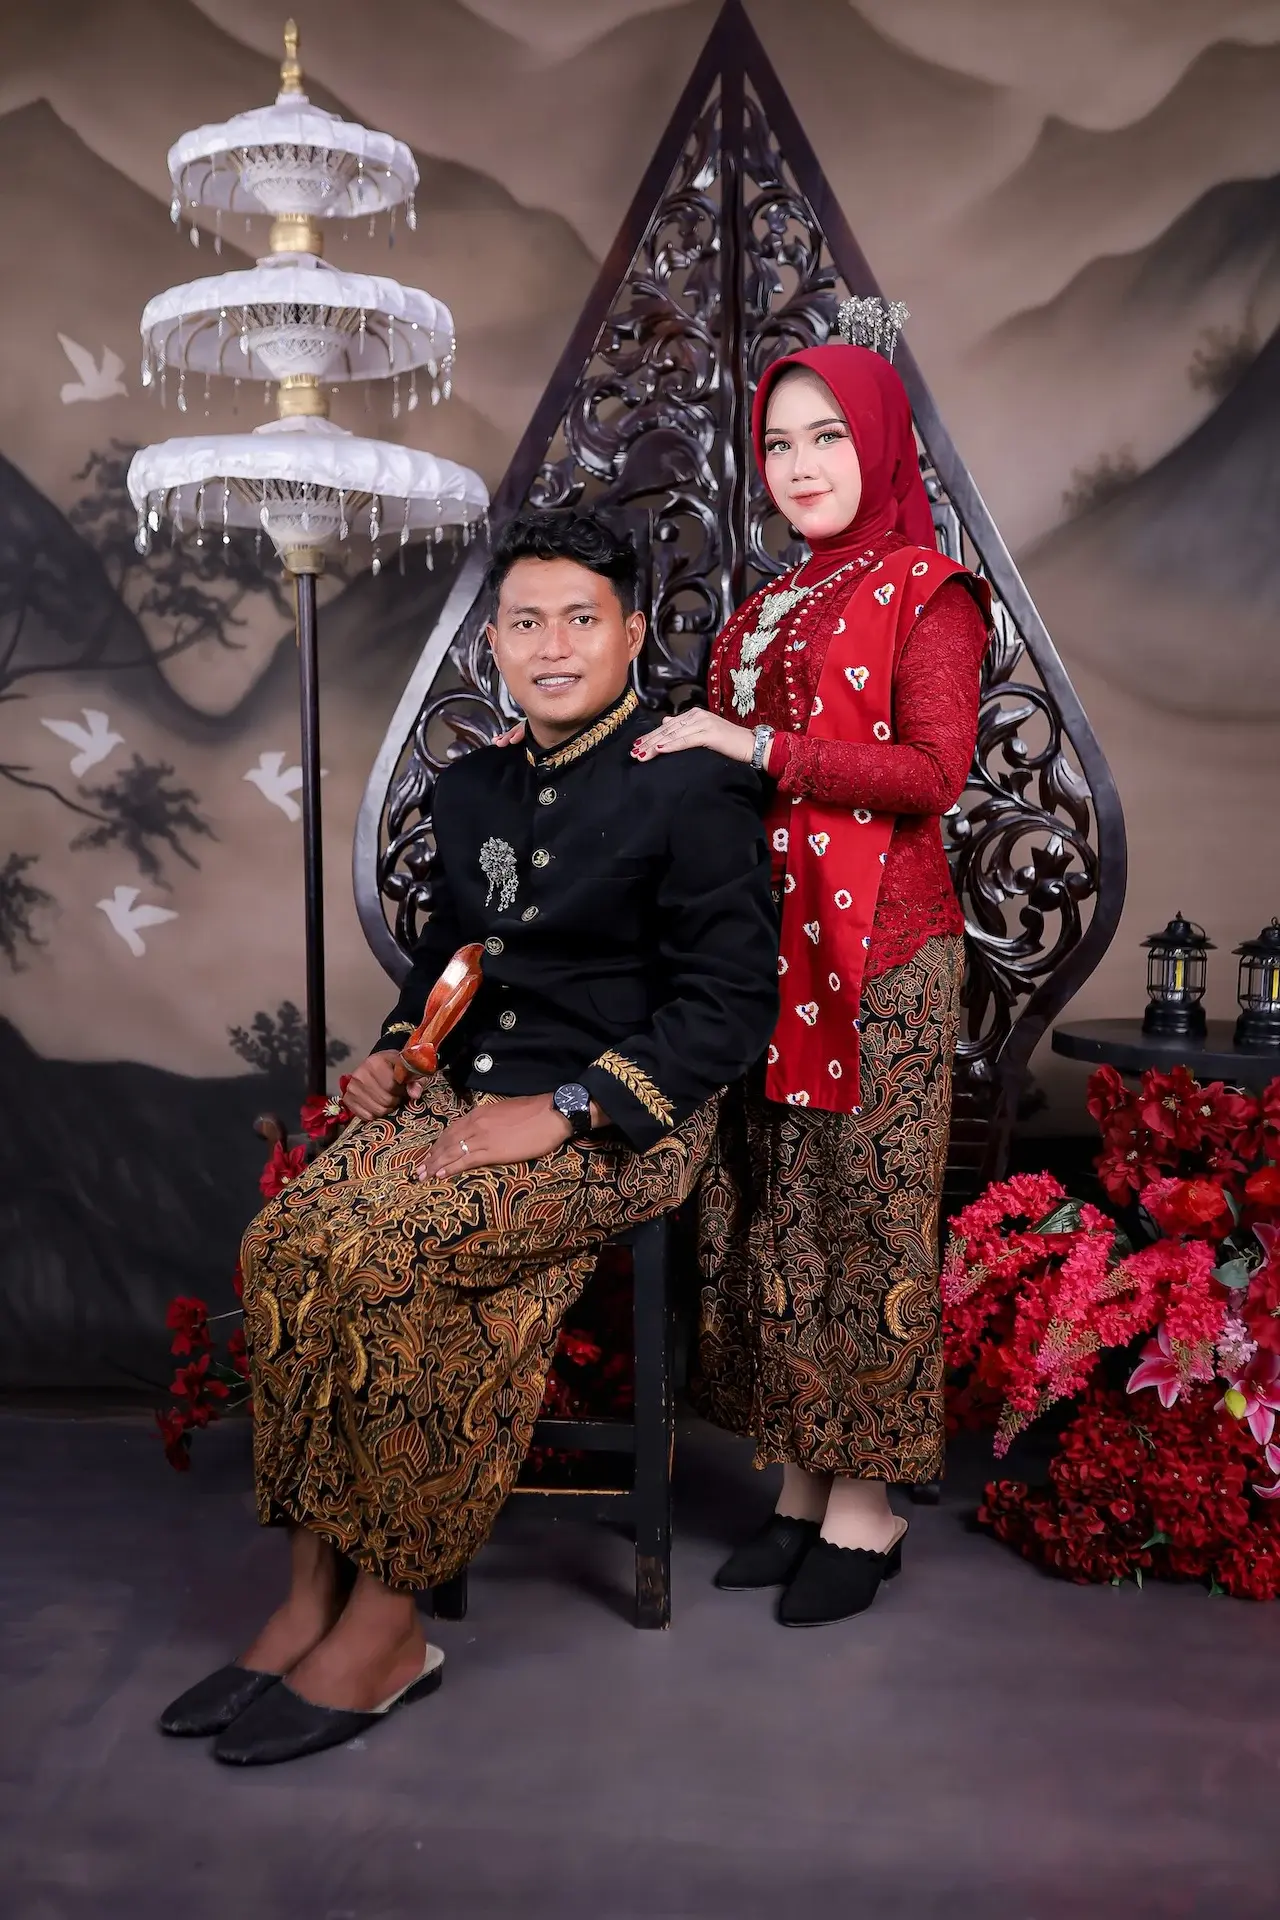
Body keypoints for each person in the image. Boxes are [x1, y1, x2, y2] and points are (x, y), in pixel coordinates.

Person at [159, 507, 778, 1764]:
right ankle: (307, 1601)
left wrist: (562, 1111)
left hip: (619, 1119)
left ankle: (388, 1627)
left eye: (581, 620)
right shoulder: (474, 783)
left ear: (631, 634)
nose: (552, 646)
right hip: (462, 1093)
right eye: (525, 622)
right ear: (491, 641)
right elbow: (452, 956)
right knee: (289, 1246)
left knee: (400, 1258)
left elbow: (728, 1005)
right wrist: (402, 1049)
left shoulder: (692, 781)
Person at [634, 330, 990, 1626]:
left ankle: (867, 1508)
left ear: (879, 441)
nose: (799, 465)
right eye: (778, 443)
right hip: (766, 953)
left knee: (864, 1216)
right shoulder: (768, 603)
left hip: (882, 953)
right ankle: (799, 1489)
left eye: (827, 436)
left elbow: (932, 776)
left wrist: (757, 748)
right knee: (773, 1214)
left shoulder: (930, 592)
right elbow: (718, 757)